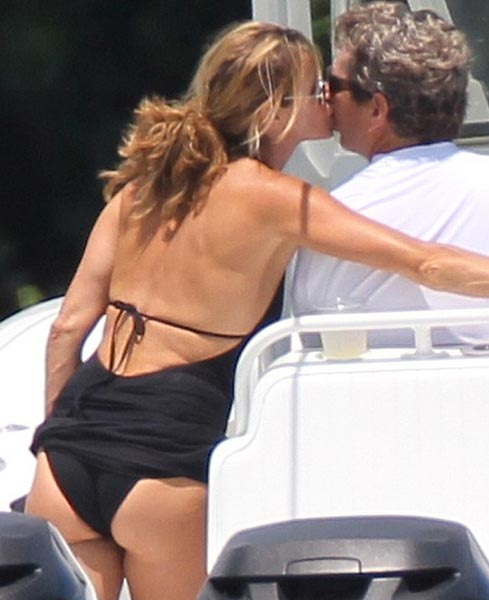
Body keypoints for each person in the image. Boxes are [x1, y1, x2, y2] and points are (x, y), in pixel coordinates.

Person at [24, 20, 489, 600]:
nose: (327, 99)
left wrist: (53, 437)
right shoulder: (279, 200)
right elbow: (425, 263)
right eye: (316, 88)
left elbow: (67, 328)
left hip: (68, 452)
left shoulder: (142, 190)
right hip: (164, 457)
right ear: (276, 112)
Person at [291, 1, 489, 346]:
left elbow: (309, 338)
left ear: (377, 110)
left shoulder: (335, 218)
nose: (326, 96)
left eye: (334, 84)